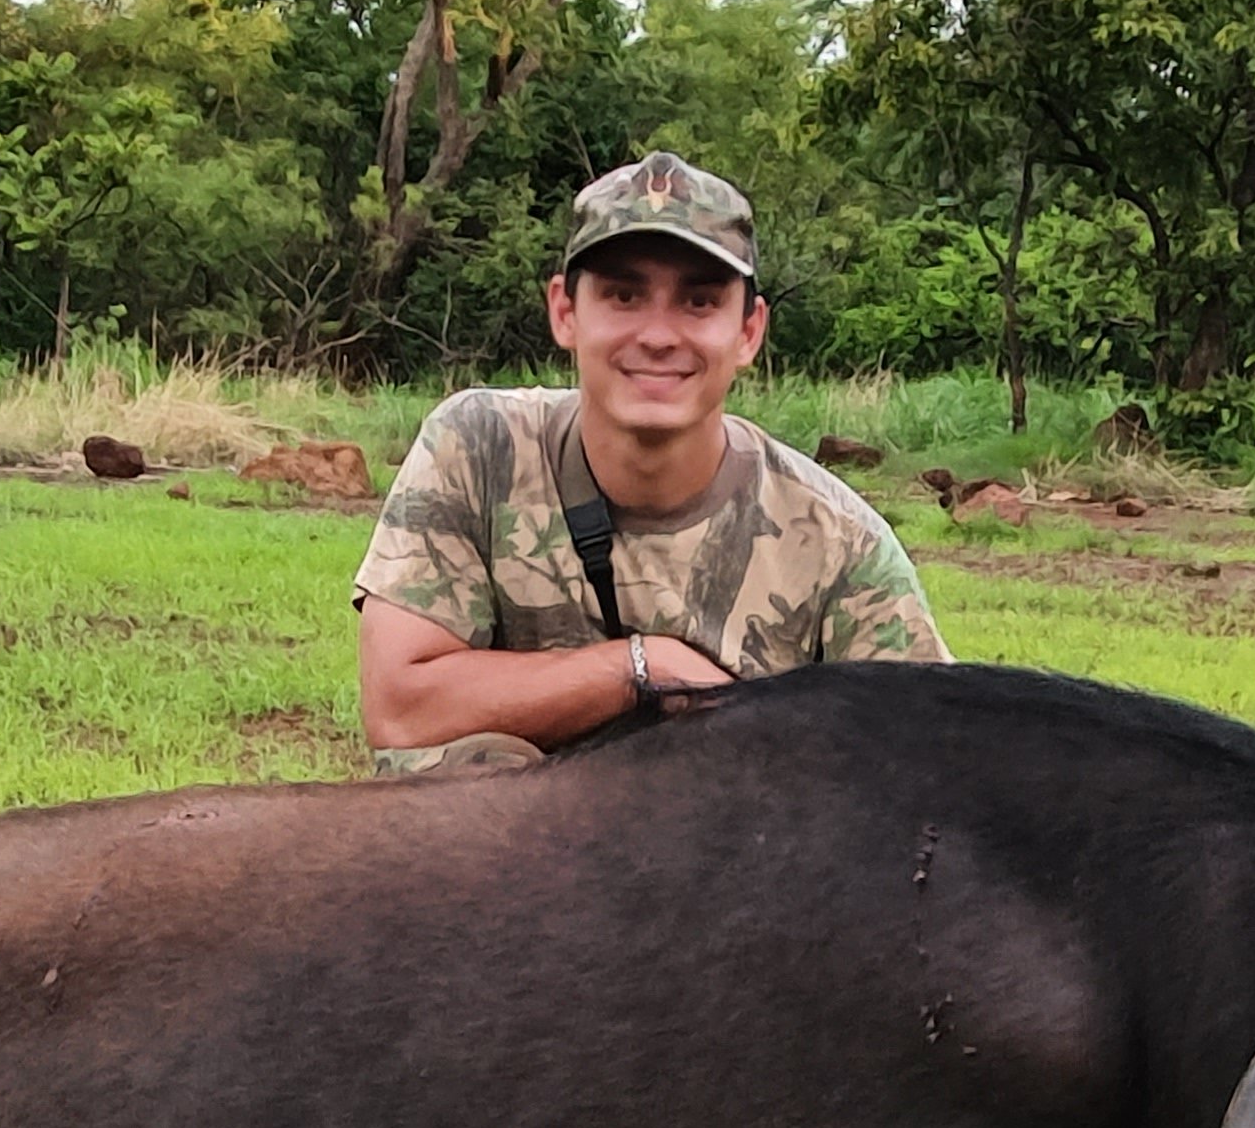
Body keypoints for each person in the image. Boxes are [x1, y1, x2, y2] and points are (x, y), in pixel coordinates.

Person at [354, 151, 945, 770]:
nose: (659, 336)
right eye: (624, 295)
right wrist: (644, 669)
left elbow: (925, 767)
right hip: (509, 856)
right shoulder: (476, 449)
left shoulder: (839, 543)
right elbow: (400, 709)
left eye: (699, 302)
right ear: (564, 313)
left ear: (749, 332)